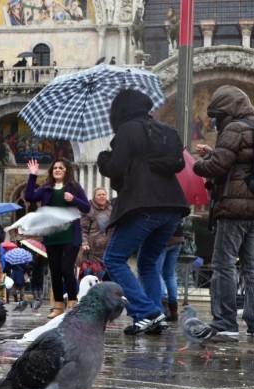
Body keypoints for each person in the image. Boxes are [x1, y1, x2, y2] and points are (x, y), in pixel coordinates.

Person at [97, 89, 189, 335]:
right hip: (172, 208)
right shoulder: (165, 131)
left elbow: (116, 168)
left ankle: (147, 311)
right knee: (148, 263)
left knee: (114, 258)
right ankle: (155, 315)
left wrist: (103, 159)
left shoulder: (128, 130)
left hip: (144, 206)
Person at [194, 85, 254, 338]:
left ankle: (225, 321)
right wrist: (215, 153)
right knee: (253, 265)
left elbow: (218, 165)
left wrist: (199, 164)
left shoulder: (234, 128)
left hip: (235, 207)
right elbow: (239, 160)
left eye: (217, 115)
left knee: (224, 263)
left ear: (227, 111)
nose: (216, 121)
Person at [25, 158, 90, 318]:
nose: (57, 170)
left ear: (66, 170)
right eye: (55, 168)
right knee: (55, 271)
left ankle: (73, 304)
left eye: (61, 167)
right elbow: (29, 197)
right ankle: (58, 306)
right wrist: (33, 176)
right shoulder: (47, 189)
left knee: (66, 269)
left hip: (70, 236)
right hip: (52, 237)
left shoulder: (74, 187)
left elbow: (87, 207)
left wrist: (73, 199)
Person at [78, 187, 113, 281]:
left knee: (110, 281)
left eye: (103, 194)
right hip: (93, 253)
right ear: (94, 197)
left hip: (109, 250)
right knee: (93, 280)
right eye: (99, 195)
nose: (102, 196)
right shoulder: (88, 209)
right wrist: (84, 243)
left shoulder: (111, 208)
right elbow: (83, 229)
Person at [156, 220, 185, 321]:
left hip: (163, 238)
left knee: (157, 271)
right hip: (178, 237)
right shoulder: (180, 204)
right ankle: (173, 311)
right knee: (170, 274)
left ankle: (164, 305)